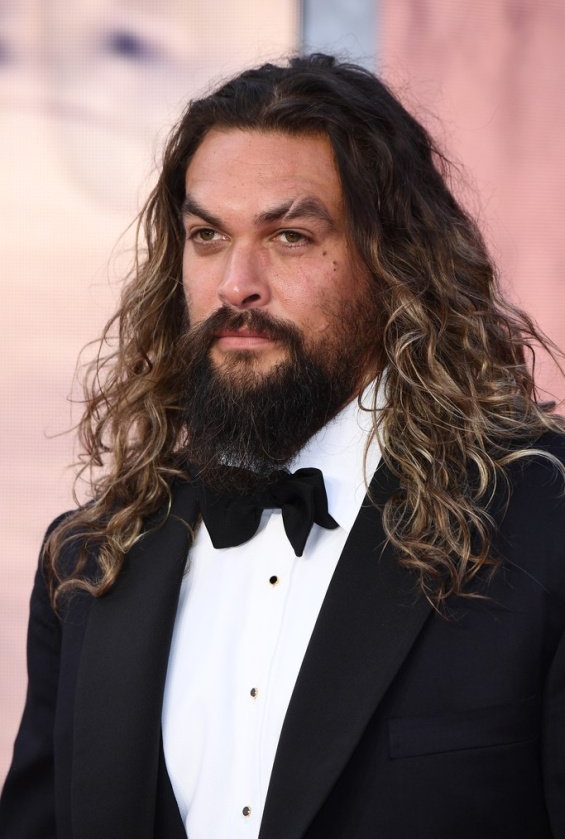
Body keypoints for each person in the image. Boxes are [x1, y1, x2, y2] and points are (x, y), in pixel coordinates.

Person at [1, 54, 564, 839]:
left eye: (290, 236)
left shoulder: (543, 519)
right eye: (206, 235)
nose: (237, 284)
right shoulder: (89, 560)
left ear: (394, 259)